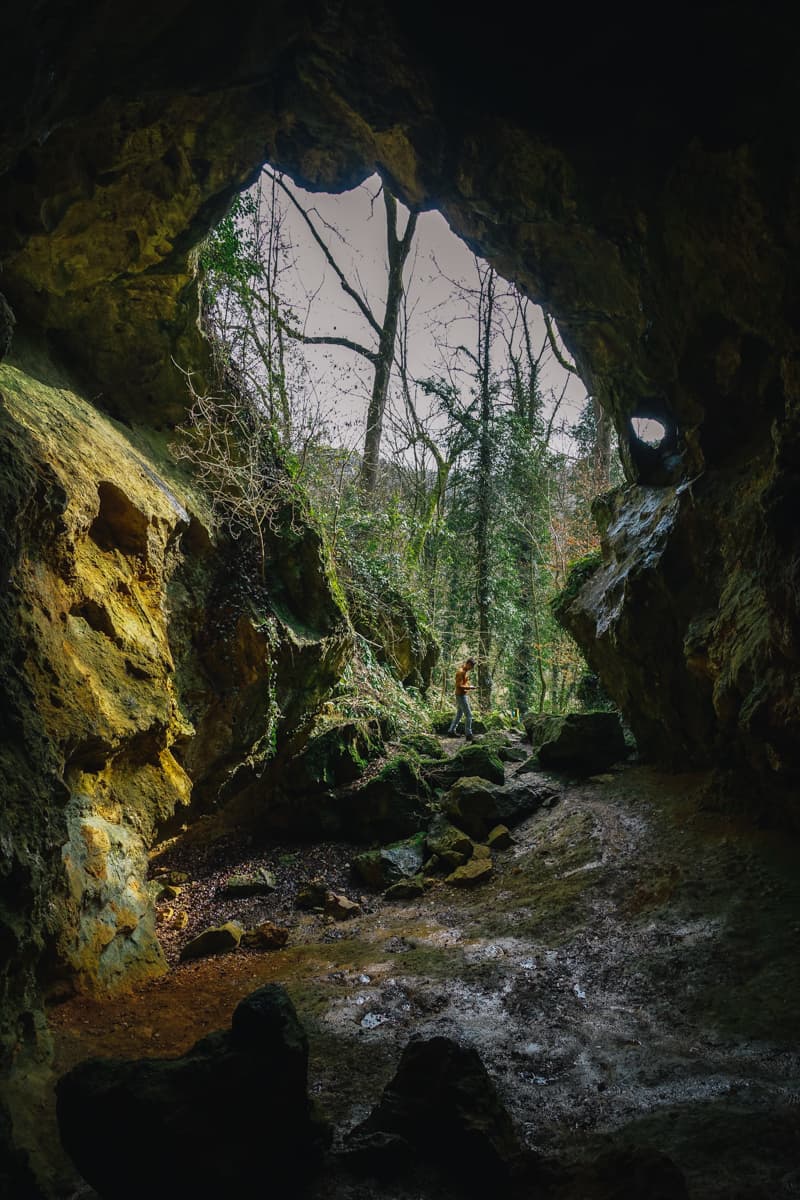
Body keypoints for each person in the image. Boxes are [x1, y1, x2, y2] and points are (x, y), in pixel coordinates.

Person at [447, 657, 476, 740]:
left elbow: (463, 683)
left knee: (459, 714)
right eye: (471, 666)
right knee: (469, 715)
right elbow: (458, 685)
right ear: (468, 664)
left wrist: (469, 687)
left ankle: (451, 731)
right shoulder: (461, 672)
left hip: (462, 695)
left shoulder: (465, 671)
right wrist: (469, 687)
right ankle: (468, 734)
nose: (471, 669)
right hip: (461, 696)